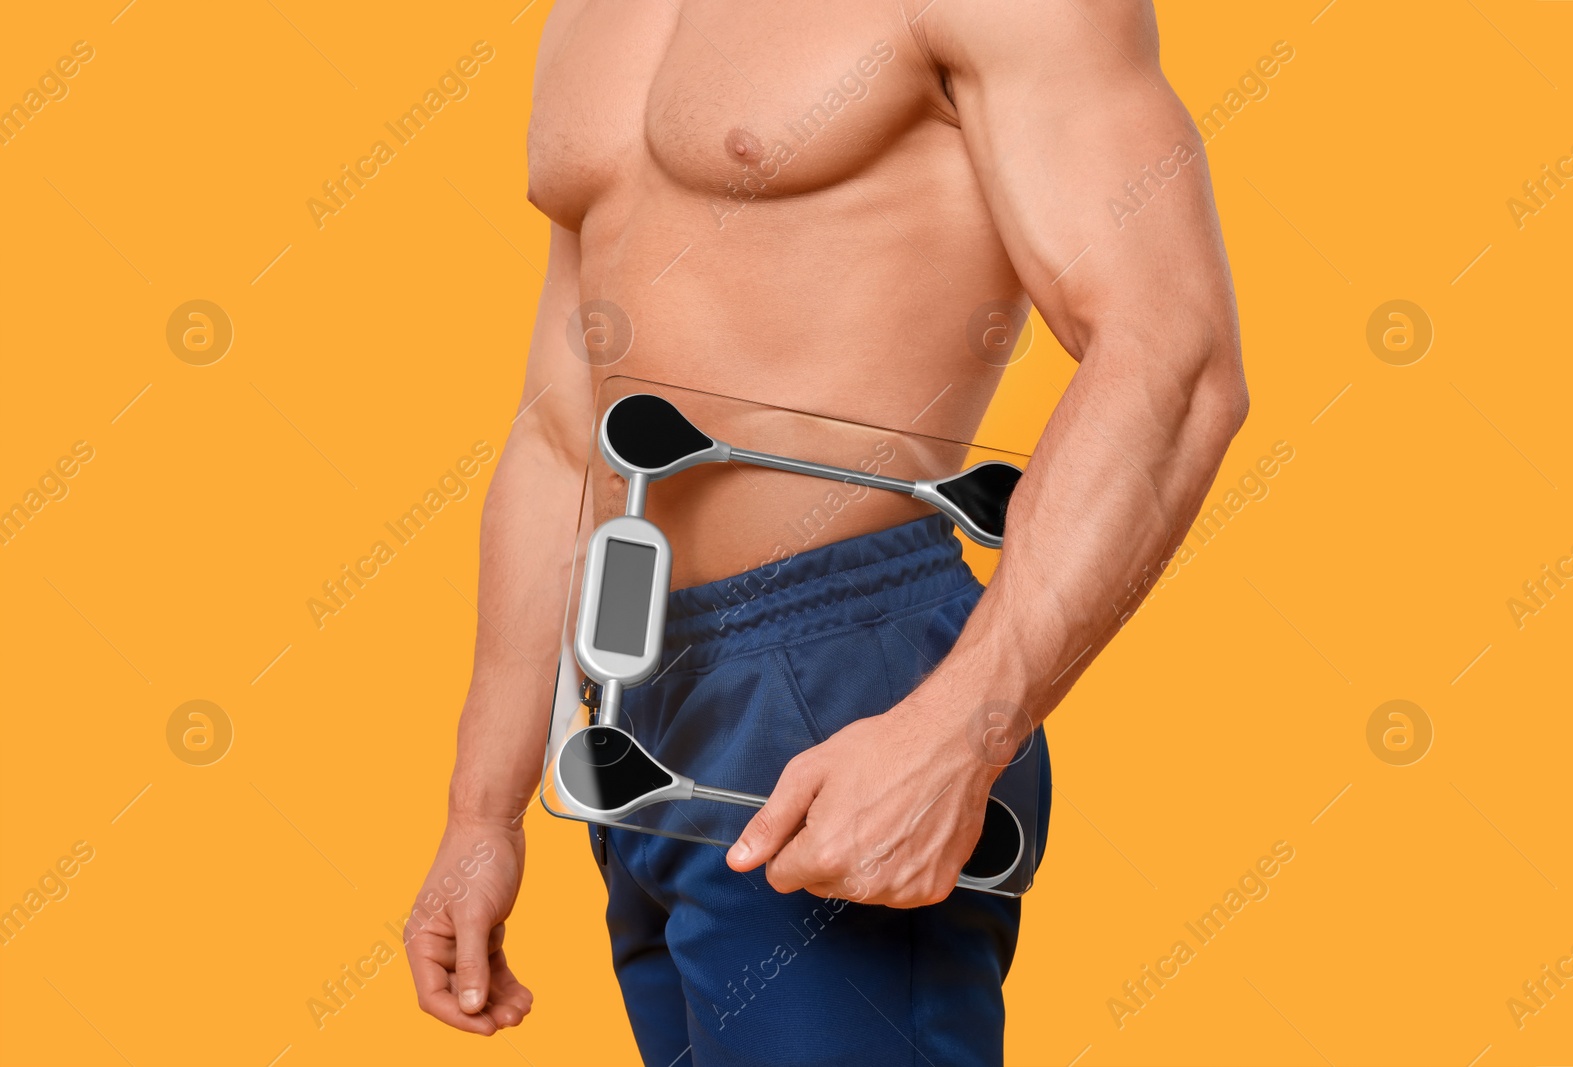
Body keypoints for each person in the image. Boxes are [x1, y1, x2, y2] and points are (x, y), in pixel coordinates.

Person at [406, 1, 1248, 1063]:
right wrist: (483, 812)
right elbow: (564, 434)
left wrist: (960, 729)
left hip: (847, 665)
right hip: (633, 699)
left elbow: (1171, 355)